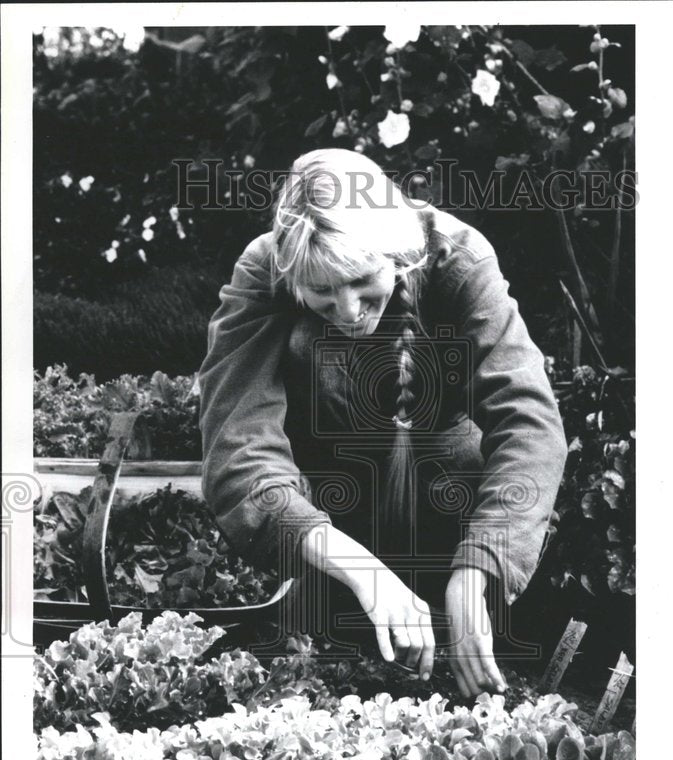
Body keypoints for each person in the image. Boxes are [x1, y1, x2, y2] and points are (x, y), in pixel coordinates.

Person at [198, 148, 568, 698]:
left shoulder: (460, 258)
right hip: (331, 518)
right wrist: (360, 571)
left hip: (454, 501)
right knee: (315, 674)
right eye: (321, 291)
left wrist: (474, 575)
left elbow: (529, 423)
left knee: (491, 676)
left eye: (362, 280)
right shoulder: (264, 269)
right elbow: (239, 446)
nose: (347, 311)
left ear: (399, 255)